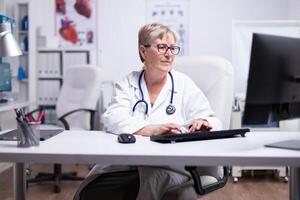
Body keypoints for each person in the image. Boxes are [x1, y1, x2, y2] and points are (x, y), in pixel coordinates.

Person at [74, 23, 221, 200]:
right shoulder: (128, 83)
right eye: (161, 47)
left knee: (147, 182)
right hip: (126, 165)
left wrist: (203, 122)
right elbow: (113, 118)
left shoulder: (184, 84)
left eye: (172, 48)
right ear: (143, 51)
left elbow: (212, 119)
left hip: (169, 167)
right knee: (89, 192)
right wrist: (153, 129)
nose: (168, 54)